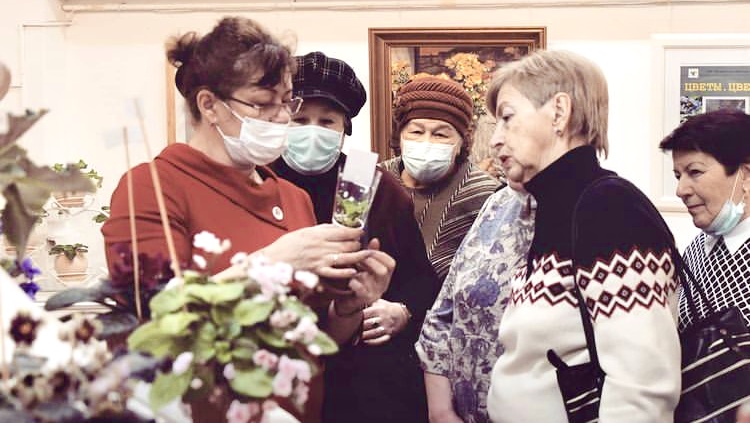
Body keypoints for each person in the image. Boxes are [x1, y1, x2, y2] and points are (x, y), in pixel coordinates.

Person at [101, 17, 394, 422]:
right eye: (261, 103)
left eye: (286, 102)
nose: (280, 117)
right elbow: (154, 321)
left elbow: (312, 339)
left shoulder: (292, 197)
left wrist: (347, 309)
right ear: (209, 105)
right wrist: (272, 264)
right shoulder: (153, 187)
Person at [484, 50, 681, 422]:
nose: (495, 140)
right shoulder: (554, 209)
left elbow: (641, 389)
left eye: (507, 118)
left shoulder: (609, 207)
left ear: (559, 112)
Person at [270, 51, 440, 422]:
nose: (312, 131)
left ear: (345, 128)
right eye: (300, 119)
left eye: (326, 121)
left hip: (362, 379)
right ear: (281, 117)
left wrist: (401, 311)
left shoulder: (369, 182)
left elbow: (422, 279)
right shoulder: (260, 179)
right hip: (275, 366)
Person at [416, 177, 535, 423]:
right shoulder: (501, 202)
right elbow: (443, 312)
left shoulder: (598, 208)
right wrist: (442, 413)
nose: (498, 152)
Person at [380, 76, 500, 283]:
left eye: (440, 135)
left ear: (461, 142)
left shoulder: (487, 195)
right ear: (400, 135)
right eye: (416, 132)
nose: (426, 142)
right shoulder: (376, 179)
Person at [658, 109, 750, 330]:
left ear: (745, 175)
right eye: (678, 176)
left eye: (695, 172)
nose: (681, 190)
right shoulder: (696, 249)